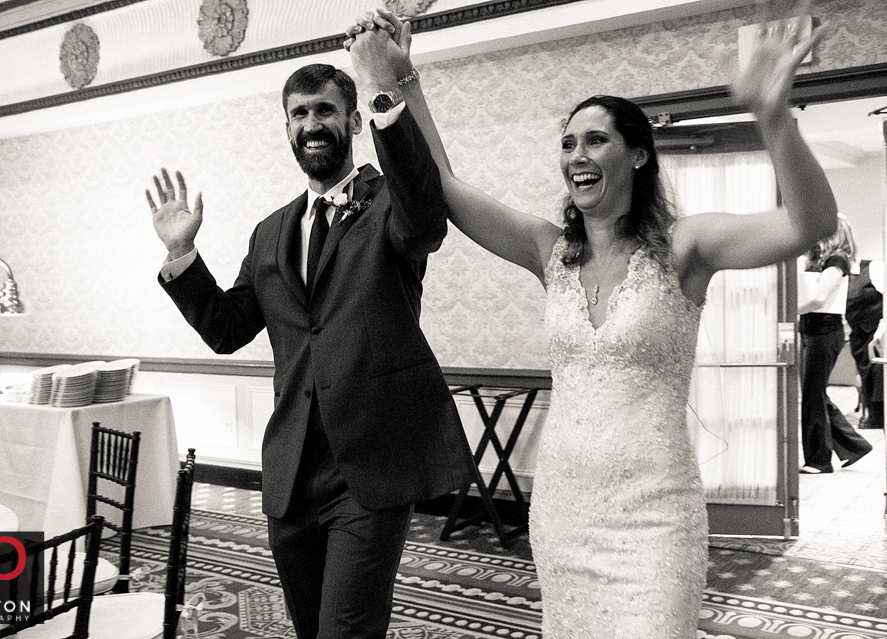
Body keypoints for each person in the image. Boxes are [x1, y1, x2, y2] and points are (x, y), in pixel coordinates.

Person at [345, 2, 836, 636]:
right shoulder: (550, 253)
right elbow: (441, 184)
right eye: (569, 142)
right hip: (564, 512)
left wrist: (773, 119)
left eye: (596, 139)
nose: (577, 152)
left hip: (654, 520)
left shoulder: (685, 248)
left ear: (636, 156)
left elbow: (810, 224)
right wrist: (403, 80)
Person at [145, 63, 473, 639]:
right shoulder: (269, 233)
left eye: (324, 110)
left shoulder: (390, 203)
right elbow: (227, 330)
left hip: (369, 469)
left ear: (352, 121)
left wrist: (387, 97)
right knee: (311, 629)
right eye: (299, 114)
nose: (312, 124)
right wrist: (182, 254)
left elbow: (425, 223)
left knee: (346, 630)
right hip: (292, 474)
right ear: (287, 129)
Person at [798, 215, 873, 473]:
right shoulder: (822, 261)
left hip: (824, 333)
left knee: (812, 396)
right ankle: (855, 447)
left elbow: (819, 299)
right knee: (815, 395)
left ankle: (819, 460)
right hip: (812, 331)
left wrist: (789, 310)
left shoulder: (837, 260)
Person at [845, 258, 884, 429]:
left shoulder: (875, 269)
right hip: (861, 332)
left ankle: (877, 416)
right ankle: (874, 415)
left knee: (876, 373)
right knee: (868, 375)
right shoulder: (845, 273)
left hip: (874, 331)